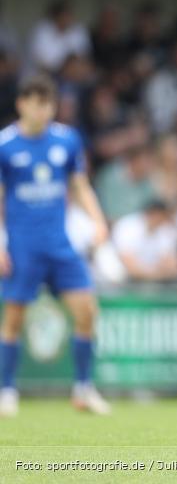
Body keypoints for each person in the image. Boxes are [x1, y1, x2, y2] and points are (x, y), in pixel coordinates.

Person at [0, 75, 110, 417]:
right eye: (36, 102)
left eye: (48, 103)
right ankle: (6, 391)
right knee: (14, 318)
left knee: (87, 311)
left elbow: (79, 186)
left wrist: (98, 220)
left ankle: (83, 389)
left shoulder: (67, 140)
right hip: (22, 245)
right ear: (22, 104)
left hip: (59, 244)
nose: (42, 109)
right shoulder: (5, 145)